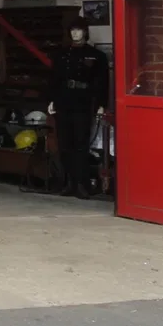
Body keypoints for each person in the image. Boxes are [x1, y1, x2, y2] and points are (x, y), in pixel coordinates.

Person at [48, 18, 110, 197]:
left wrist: (101, 105)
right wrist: (51, 100)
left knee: (81, 145)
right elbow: (54, 79)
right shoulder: (61, 54)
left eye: (78, 30)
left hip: (83, 102)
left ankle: (82, 185)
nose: (75, 33)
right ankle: (68, 182)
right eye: (73, 30)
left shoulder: (96, 56)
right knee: (64, 144)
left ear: (85, 32)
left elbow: (102, 82)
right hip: (64, 101)